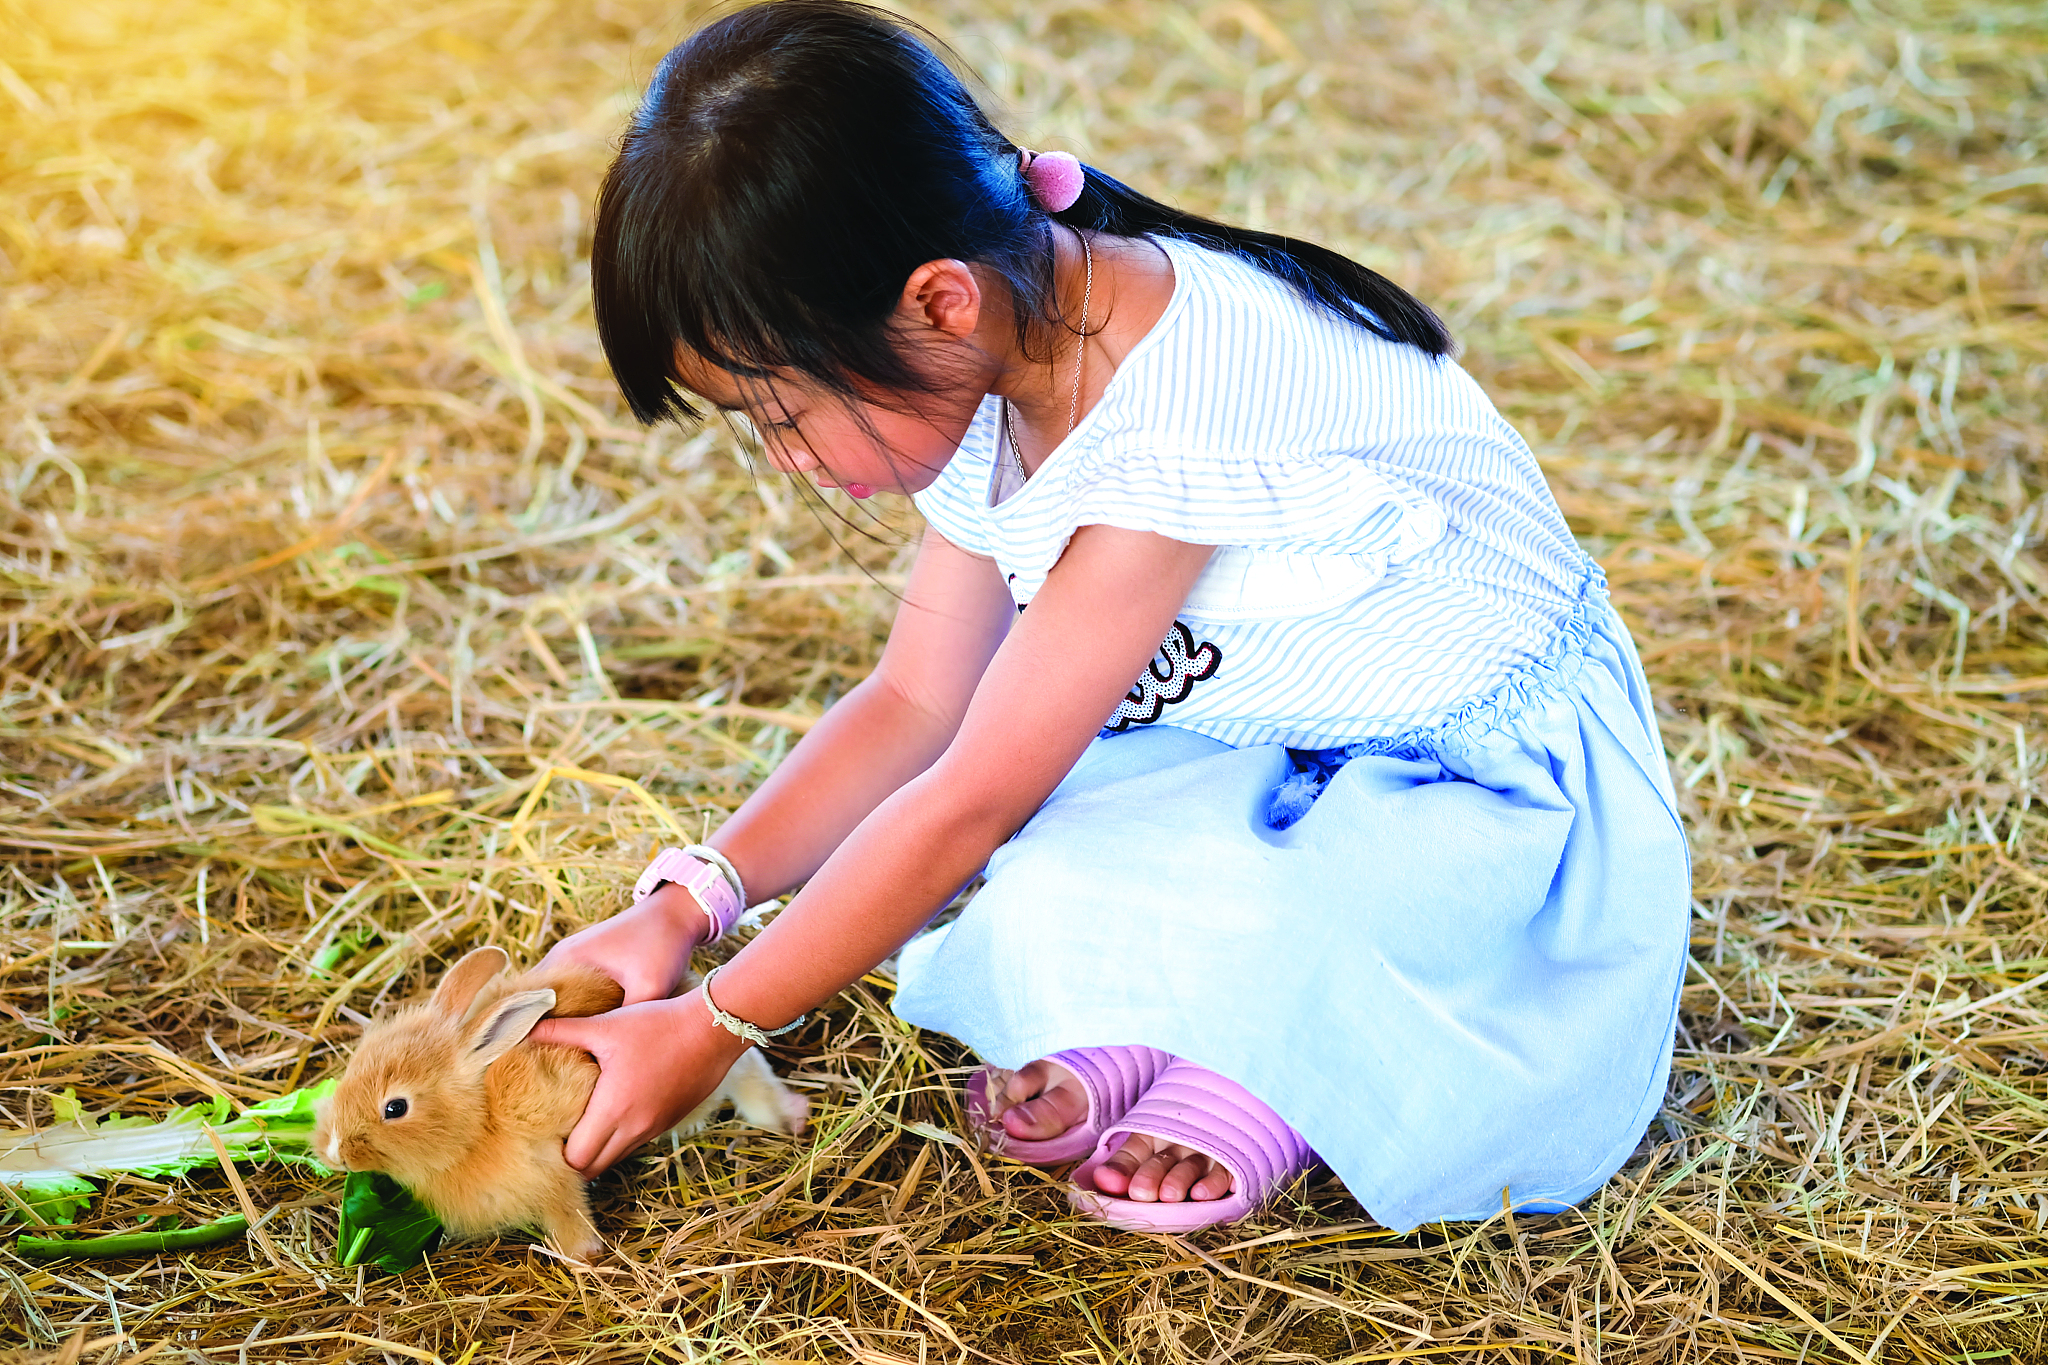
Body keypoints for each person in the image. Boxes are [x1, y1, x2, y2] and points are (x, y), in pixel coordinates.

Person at [529, 0, 1691, 1233]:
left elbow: (967, 796)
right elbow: (916, 705)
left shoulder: (1176, 415)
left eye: (783, 412)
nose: (786, 460)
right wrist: (686, 906)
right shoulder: (997, 347)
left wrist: (717, 1025)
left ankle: (1261, 1067)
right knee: (1039, 884)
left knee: (1254, 912)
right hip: (1256, 742)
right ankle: (1190, 1001)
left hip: (1476, 792)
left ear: (936, 302)